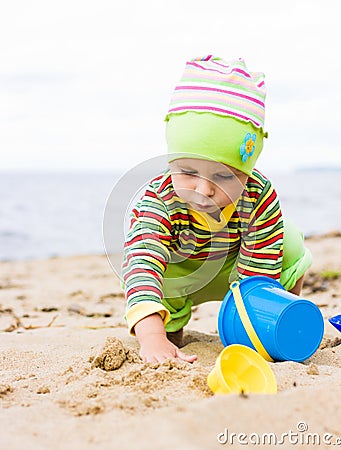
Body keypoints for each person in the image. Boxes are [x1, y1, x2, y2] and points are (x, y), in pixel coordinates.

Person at [122, 55, 312, 363]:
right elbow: (142, 269)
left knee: (289, 242)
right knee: (160, 316)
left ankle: (279, 317)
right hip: (179, 273)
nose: (204, 189)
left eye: (225, 176)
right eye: (188, 172)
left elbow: (259, 270)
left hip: (239, 267)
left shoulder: (257, 194)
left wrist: (253, 323)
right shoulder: (158, 201)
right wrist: (152, 338)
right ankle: (168, 330)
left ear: (247, 171)